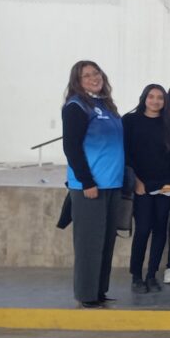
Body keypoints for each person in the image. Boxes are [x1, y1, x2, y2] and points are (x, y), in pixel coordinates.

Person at [62, 60, 124, 308]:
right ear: (77, 81)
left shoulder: (105, 105)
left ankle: (99, 290)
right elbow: (71, 147)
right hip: (90, 186)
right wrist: (86, 180)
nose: (93, 78)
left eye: (96, 73)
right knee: (89, 242)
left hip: (111, 184)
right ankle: (86, 294)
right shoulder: (76, 106)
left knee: (106, 241)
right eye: (86, 75)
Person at [123, 84, 170, 294]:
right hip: (141, 186)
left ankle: (151, 275)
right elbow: (126, 154)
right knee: (142, 230)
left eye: (160, 97)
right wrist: (137, 182)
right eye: (152, 97)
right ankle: (136, 276)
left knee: (160, 231)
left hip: (165, 186)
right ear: (144, 98)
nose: (156, 101)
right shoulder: (130, 121)